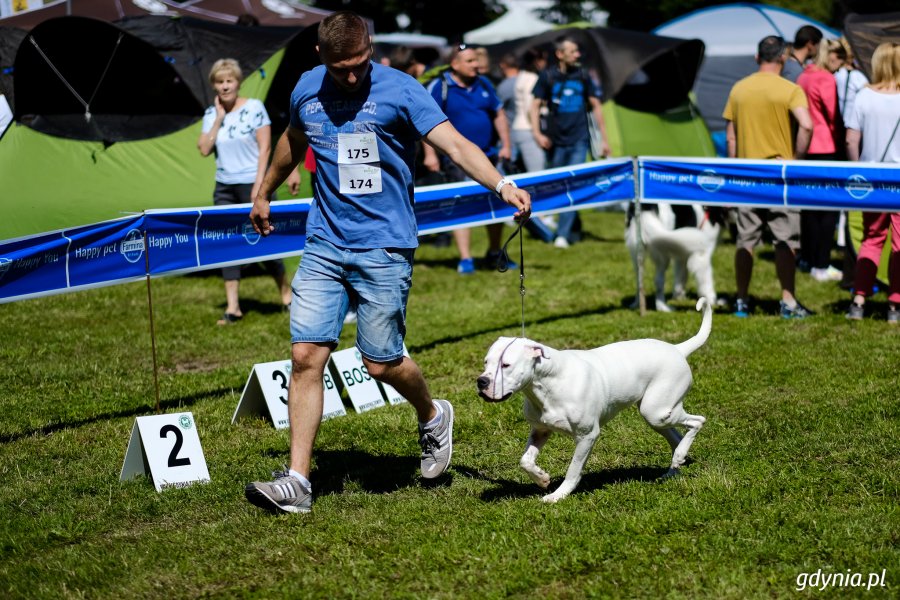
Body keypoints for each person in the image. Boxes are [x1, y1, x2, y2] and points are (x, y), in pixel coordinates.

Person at [244, 11, 531, 514]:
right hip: (324, 243)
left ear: (371, 49)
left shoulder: (403, 91)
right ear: (320, 57)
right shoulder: (307, 87)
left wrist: (502, 184)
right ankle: (298, 482)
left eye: (359, 65)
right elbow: (294, 140)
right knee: (306, 357)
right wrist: (263, 191)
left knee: (380, 362)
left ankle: (433, 413)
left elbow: (457, 145)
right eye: (340, 69)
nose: (351, 76)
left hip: (384, 246)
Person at [197, 58, 297, 325]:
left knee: (267, 241)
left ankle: (286, 295)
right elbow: (204, 149)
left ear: (238, 82)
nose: (225, 86)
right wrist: (218, 119)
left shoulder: (254, 108)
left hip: (253, 184)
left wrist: (258, 186)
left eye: (229, 81)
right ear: (214, 85)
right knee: (227, 245)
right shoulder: (211, 114)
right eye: (220, 82)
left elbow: (265, 148)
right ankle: (233, 307)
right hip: (224, 187)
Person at [723, 36, 813, 318]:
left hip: (747, 175)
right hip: (779, 175)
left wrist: (734, 167)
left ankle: (741, 300)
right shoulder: (790, 88)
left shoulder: (739, 89)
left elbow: (731, 135)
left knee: (745, 240)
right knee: (785, 239)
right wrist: (795, 161)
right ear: (783, 58)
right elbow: (807, 125)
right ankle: (787, 300)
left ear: (756, 57)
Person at [422, 44, 515, 274]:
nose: (476, 65)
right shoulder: (440, 86)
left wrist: (506, 144)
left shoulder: (483, 84)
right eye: (470, 61)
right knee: (462, 205)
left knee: (497, 201)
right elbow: (423, 120)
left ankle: (494, 252)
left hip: (489, 155)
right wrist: (430, 153)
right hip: (455, 160)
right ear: (455, 64)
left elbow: (499, 114)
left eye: (476, 60)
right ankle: (466, 259)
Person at [531, 36, 609, 248]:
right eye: (573, 51)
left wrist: (603, 139)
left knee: (572, 184)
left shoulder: (583, 75)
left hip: (579, 138)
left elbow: (596, 106)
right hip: (555, 140)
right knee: (557, 185)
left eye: (577, 51)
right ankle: (572, 227)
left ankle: (562, 234)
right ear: (560, 54)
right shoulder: (547, 76)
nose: (577, 55)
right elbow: (535, 105)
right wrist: (537, 133)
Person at [845, 42, 900, 324]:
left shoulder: (864, 96)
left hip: (871, 179)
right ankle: (895, 302)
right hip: (899, 178)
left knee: (872, 239)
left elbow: (851, 139)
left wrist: (859, 172)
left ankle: (859, 298)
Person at [797, 39, 845, 283]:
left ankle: (807, 258)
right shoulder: (825, 78)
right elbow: (833, 115)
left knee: (809, 208)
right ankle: (822, 264)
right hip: (826, 147)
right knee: (827, 210)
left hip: (807, 148)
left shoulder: (804, 76)